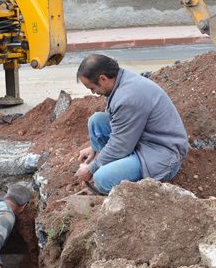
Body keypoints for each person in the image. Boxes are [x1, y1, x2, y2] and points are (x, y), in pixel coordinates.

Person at [74, 54, 188, 194]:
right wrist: (94, 148)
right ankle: (114, 166)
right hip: (142, 140)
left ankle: (112, 178)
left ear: (103, 79)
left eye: (92, 88)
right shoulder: (121, 80)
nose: (93, 92)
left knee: (102, 179)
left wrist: (92, 168)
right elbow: (120, 126)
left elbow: (121, 145)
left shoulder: (128, 97)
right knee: (96, 121)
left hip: (161, 155)